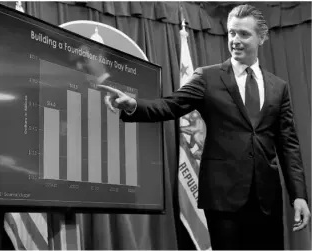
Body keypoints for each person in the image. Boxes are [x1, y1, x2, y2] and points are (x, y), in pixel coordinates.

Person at [97, 4, 310, 250]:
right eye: (231, 33)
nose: (235, 40)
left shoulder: (278, 86)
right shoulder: (207, 77)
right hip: (222, 198)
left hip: (267, 200)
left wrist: (299, 195)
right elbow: (170, 106)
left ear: (262, 37)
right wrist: (133, 105)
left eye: (244, 34)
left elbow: (288, 144)